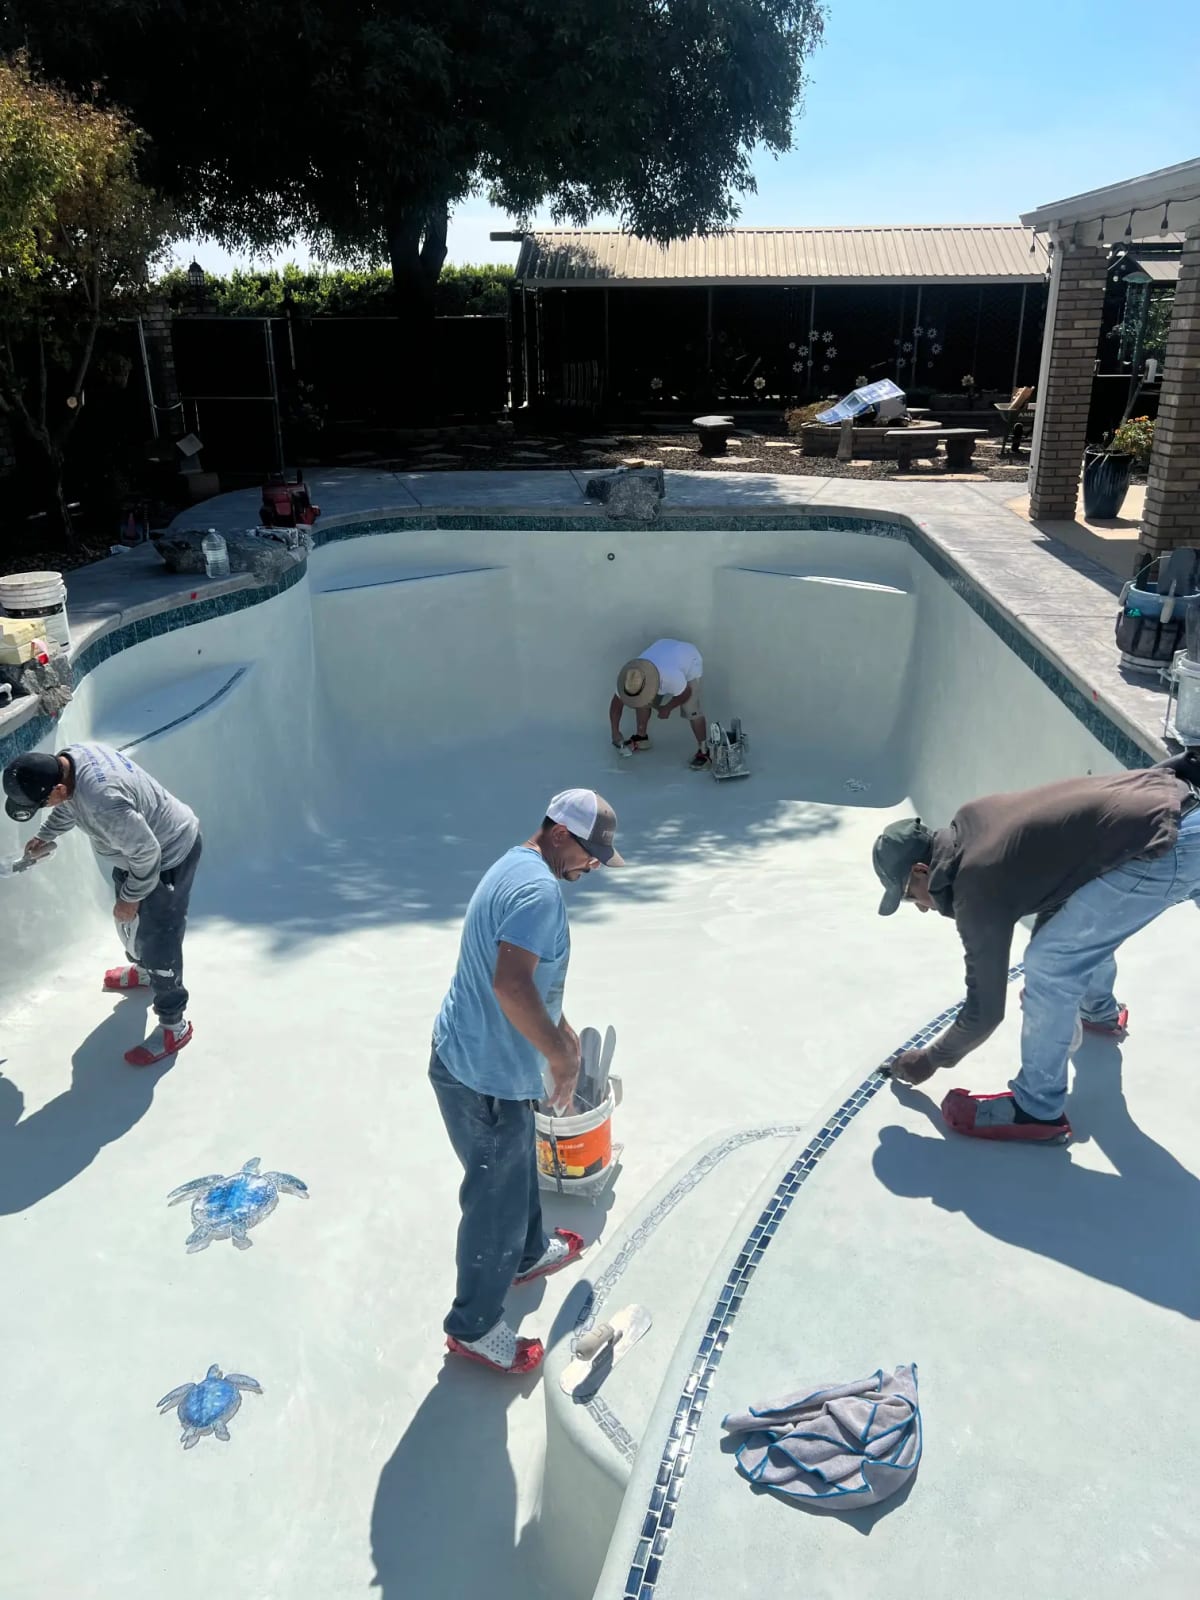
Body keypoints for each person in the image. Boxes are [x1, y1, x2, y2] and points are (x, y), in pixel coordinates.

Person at [871, 755, 1200, 1144]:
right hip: (1177, 805)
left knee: (1050, 966)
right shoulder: (973, 822)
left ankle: (1036, 1108)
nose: (924, 908)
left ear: (922, 872)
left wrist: (928, 1060)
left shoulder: (974, 885)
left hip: (1168, 842)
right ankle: (1098, 1011)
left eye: (912, 897)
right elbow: (1062, 892)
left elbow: (984, 1011)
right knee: (1068, 938)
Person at [430, 788, 625, 1375]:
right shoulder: (539, 893)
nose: (591, 867)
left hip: (471, 1057)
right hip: (485, 1080)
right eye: (589, 854)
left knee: (515, 1174)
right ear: (560, 833)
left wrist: (562, 1041)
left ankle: (529, 1255)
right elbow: (512, 987)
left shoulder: (514, 866)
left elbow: (534, 988)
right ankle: (474, 1327)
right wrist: (562, 1061)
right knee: (494, 1199)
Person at [3, 745, 202, 1066]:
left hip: (167, 855)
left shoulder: (104, 805)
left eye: (41, 804)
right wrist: (45, 835)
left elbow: (147, 855)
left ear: (57, 787)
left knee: (158, 935)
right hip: (132, 848)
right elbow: (73, 804)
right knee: (133, 925)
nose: (43, 808)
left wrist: (131, 898)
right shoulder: (72, 761)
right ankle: (145, 970)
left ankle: (173, 1025)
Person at [610, 638, 709, 769]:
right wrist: (615, 732)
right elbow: (616, 705)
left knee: (691, 709)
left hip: (690, 658)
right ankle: (641, 737)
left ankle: (704, 751)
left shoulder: (670, 677)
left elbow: (686, 693)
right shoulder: (630, 677)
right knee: (642, 702)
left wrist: (668, 708)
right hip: (663, 649)